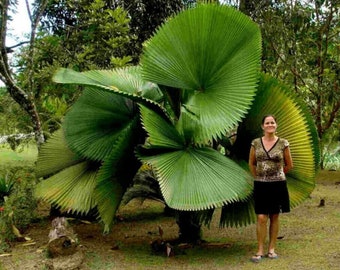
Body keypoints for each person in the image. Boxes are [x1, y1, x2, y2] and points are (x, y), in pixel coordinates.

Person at [248, 114, 293, 263]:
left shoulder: (283, 143)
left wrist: (277, 175)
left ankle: (271, 249)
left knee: (274, 216)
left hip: (278, 184)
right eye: (267, 123)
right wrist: (260, 177)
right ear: (262, 126)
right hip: (261, 184)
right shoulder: (255, 143)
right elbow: (252, 163)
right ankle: (260, 250)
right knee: (261, 217)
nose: (270, 125)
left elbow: (289, 165)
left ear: (276, 125)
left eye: (272, 122)